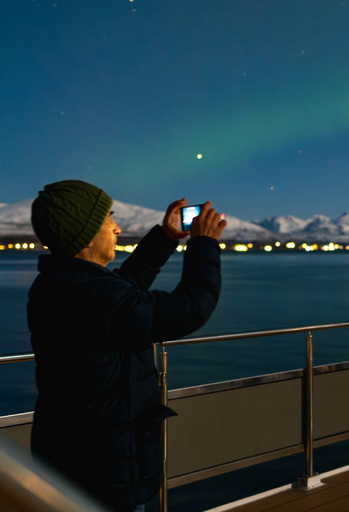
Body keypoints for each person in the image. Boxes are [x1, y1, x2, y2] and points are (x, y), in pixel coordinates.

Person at [27, 180, 227, 512]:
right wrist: (203, 244)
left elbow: (123, 292)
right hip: (105, 470)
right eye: (109, 219)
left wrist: (164, 239)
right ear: (88, 233)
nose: (117, 228)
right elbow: (189, 309)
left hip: (72, 457)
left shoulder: (60, 283)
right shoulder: (93, 295)